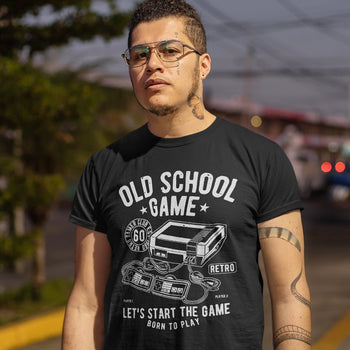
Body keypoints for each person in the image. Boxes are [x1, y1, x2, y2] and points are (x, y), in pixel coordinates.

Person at [62, 0, 311, 349]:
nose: (152, 65)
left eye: (170, 50)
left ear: (203, 64)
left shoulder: (261, 159)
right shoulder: (104, 166)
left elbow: (288, 295)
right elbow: (86, 304)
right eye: (139, 55)